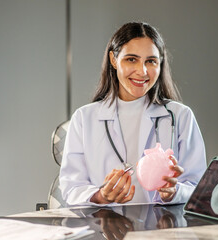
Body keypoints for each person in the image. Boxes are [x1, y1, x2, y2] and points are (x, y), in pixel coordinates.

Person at [59, 22, 206, 205]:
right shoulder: (84, 118)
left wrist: (174, 192)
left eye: (151, 61)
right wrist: (101, 196)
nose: (142, 71)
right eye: (131, 59)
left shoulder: (180, 116)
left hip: (161, 229)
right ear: (113, 60)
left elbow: (198, 187)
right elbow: (71, 187)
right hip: (104, 229)